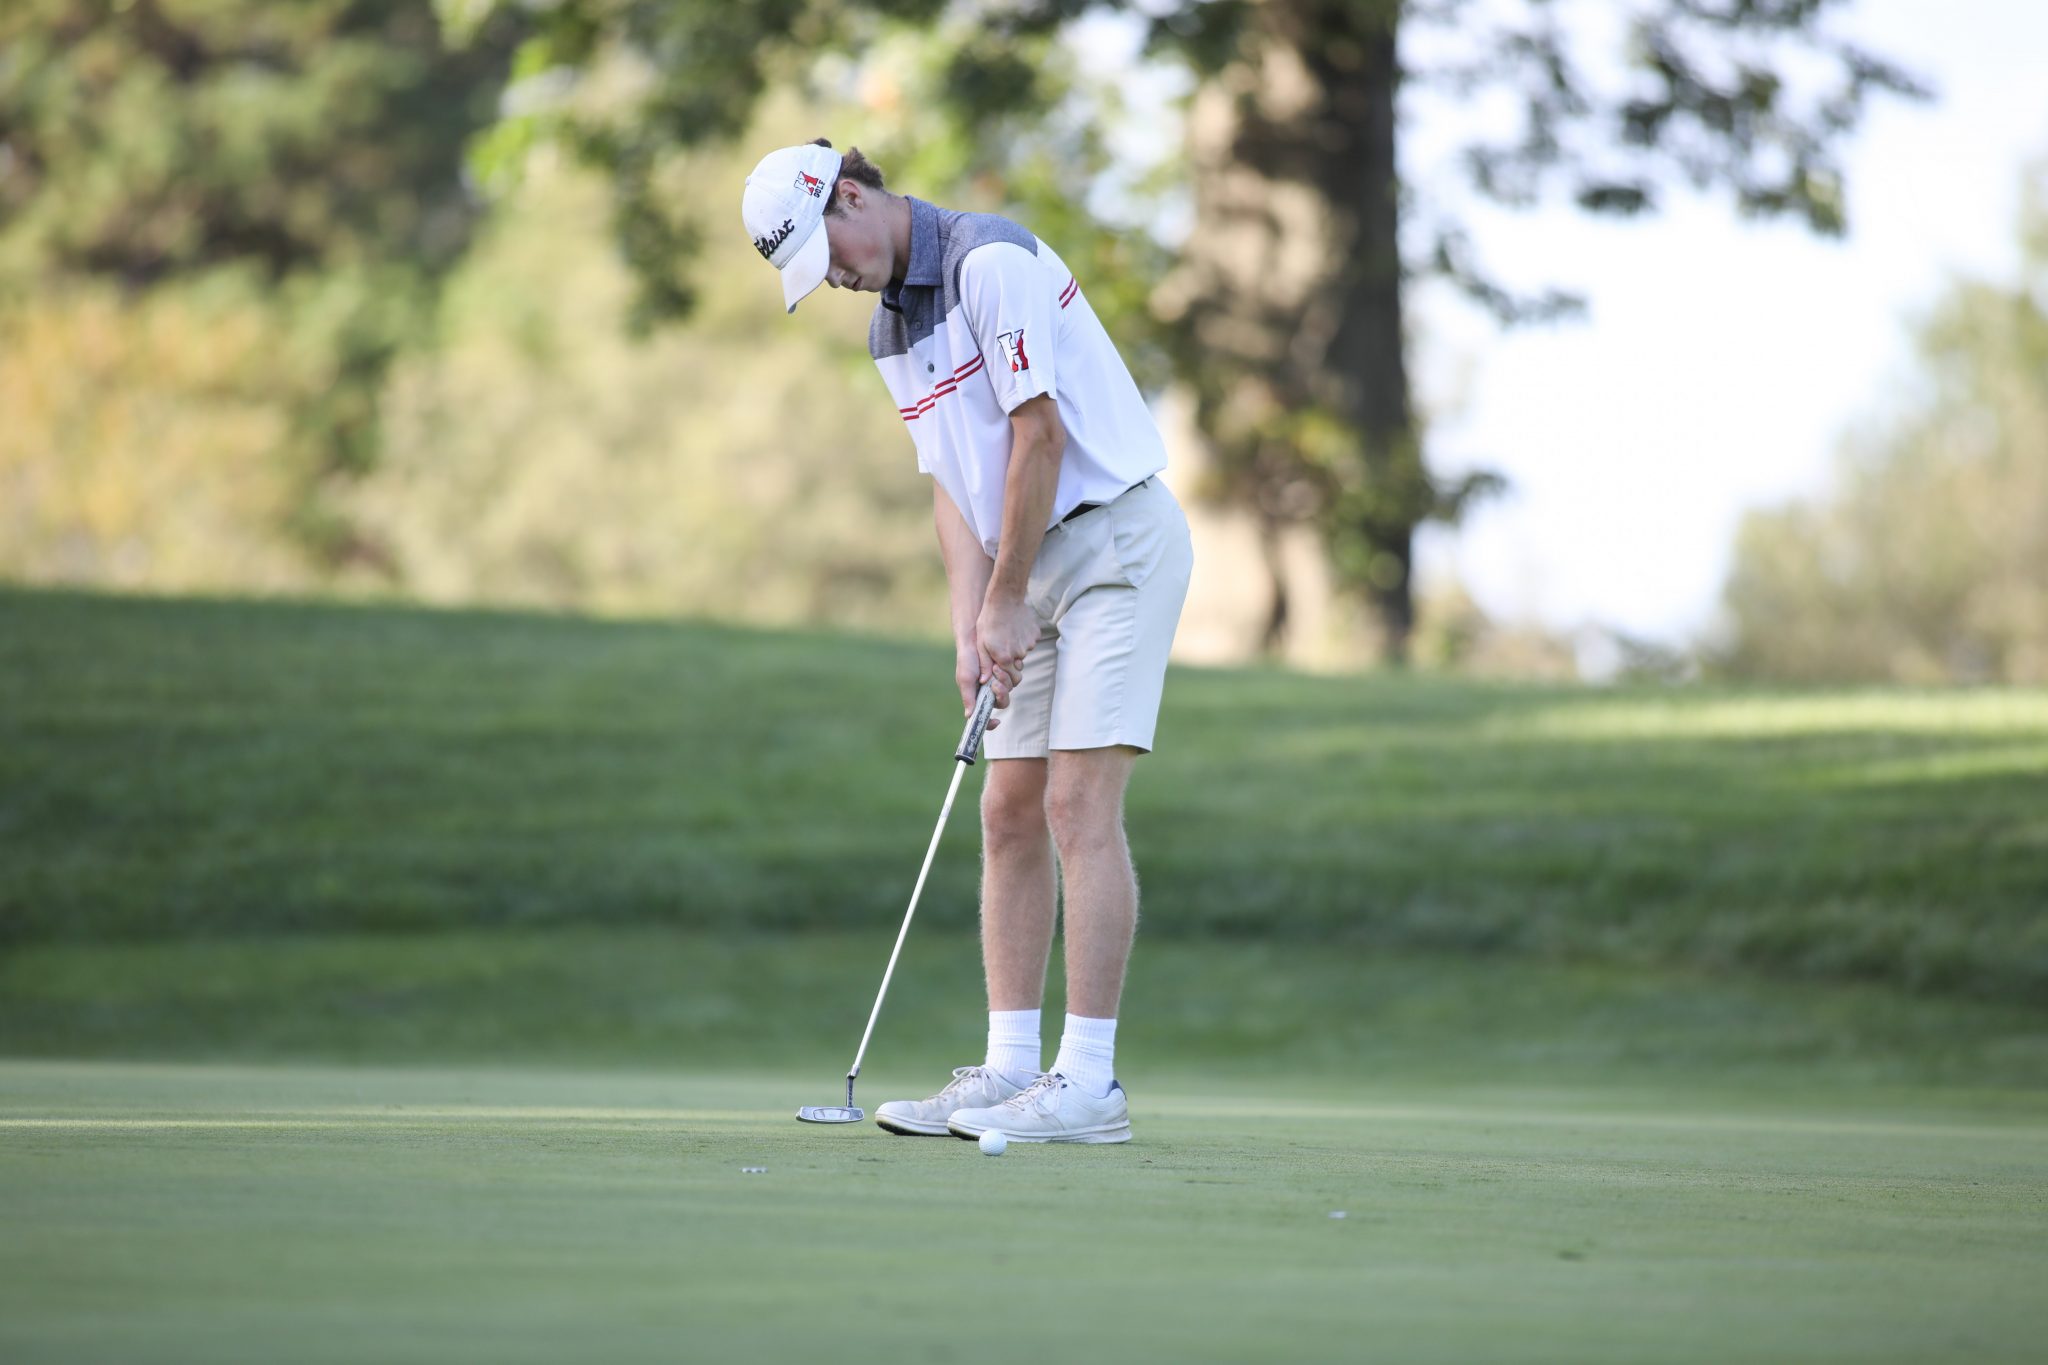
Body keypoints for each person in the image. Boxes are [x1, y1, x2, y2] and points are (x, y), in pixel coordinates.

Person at [742, 140, 1193, 1144]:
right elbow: (951, 482)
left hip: (1114, 539)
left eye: (831, 255)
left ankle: (1088, 1087)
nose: (837, 282)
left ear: (849, 195)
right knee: (1006, 809)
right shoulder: (887, 333)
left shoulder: (990, 264)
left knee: (1078, 802)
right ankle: (1007, 1070)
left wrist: (1005, 597)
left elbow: (1039, 437)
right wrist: (969, 621)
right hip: (1016, 571)